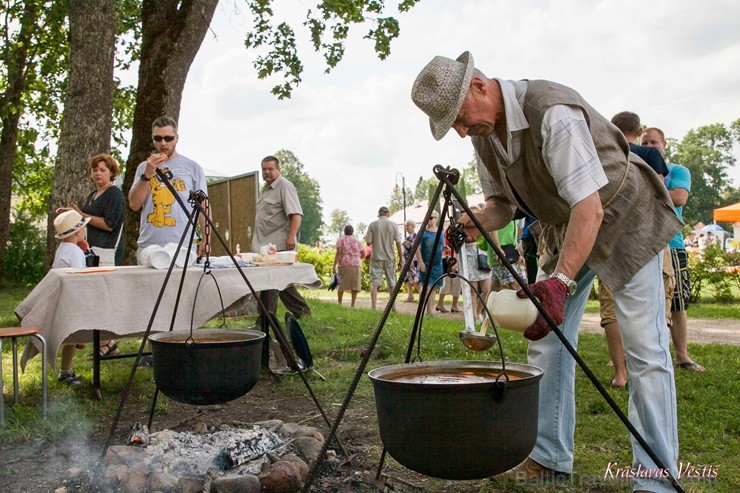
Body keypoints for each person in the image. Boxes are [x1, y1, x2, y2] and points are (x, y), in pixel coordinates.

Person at [412, 52, 681, 492]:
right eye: (452, 127)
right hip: (565, 228)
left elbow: (588, 205)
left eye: (459, 118)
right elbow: (504, 205)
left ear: (479, 86)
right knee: (547, 341)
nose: (460, 132)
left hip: (624, 218)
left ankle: (657, 480)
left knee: (645, 351)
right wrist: (475, 218)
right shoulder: (484, 137)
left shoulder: (551, 110)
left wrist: (559, 281)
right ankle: (550, 456)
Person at [598, 112, 673, 388]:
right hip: (645, 237)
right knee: (653, 308)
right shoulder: (650, 155)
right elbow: (661, 193)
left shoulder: (601, 153)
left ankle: (620, 373)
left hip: (608, 239)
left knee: (611, 308)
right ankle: (654, 370)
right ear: (639, 131)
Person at [642, 127, 705, 372]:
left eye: (654, 142)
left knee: (677, 303)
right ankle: (631, 354)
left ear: (664, 145)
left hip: (672, 244)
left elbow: (679, 197)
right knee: (641, 304)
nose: (649, 146)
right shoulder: (635, 170)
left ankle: (682, 356)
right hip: (642, 246)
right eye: (644, 142)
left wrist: (648, 192)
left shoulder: (677, 171)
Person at [56, 153, 125, 357]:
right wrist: (71, 214)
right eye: (95, 169)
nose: (97, 173)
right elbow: (84, 219)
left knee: (100, 299)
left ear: (112, 173)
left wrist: (83, 216)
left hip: (105, 251)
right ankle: (107, 342)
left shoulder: (114, 194)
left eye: (103, 170)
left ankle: (107, 341)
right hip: (90, 251)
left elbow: (109, 224)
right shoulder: (92, 195)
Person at [129, 116, 209, 262]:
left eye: (168, 138)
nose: (163, 143)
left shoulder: (192, 167)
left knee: (183, 284)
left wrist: (206, 237)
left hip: (184, 242)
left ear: (177, 138)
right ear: (152, 139)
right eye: (158, 138)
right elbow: (134, 205)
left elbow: (203, 205)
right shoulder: (144, 167)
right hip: (150, 244)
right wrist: (147, 174)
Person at [252, 155, 312, 319]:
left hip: (278, 246)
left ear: (278, 170)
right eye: (264, 169)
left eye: (270, 169)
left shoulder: (285, 186)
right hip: (265, 246)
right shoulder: (265, 189)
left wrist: (291, 237)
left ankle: (265, 320)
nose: (267, 172)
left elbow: (296, 215)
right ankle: (302, 312)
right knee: (283, 283)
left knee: (270, 282)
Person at [51, 210, 91, 386]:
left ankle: (65, 370)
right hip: (73, 299)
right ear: (78, 232)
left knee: (71, 339)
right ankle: (65, 372)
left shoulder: (63, 249)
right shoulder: (75, 251)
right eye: (83, 227)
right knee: (72, 338)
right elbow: (80, 277)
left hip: (62, 297)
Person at [364, 206, 403, 310]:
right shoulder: (393, 225)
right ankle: (393, 307)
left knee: (375, 283)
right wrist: (401, 259)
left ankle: (373, 306)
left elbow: (368, 243)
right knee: (391, 283)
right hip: (390, 257)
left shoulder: (373, 225)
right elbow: (398, 243)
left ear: (378, 214)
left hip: (376, 256)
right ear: (388, 214)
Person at [415, 210, 444, 317]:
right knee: (427, 287)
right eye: (428, 217)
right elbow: (417, 248)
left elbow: (443, 245)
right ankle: (426, 311)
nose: (429, 220)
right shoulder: (423, 232)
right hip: (426, 264)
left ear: (436, 219)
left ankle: (430, 311)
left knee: (433, 288)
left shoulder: (440, 232)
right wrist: (421, 262)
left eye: (431, 218)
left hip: (437, 264)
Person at [332, 224, 364, 307]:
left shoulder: (341, 240)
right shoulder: (357, 240)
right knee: (354, 285)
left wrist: (334, 265)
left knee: (341, 284)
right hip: (356, 264)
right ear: (352, 232)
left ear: (344, 231)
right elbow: (363, 253)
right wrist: (358, 258)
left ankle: (339, 303)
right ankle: (353, 304)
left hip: (344, 263)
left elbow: (338, 253)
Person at [401, 219, 421, 302]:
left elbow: (415, 248)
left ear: (413, 226)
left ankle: (421, 295)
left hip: (412, 260)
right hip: (406, 259)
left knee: (415, 278)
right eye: (405, 226)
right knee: (408, 278)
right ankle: (410, 296)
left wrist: (411, 260)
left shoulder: (415, 236)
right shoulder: (407, 237)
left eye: (408, 225)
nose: (406, 227)